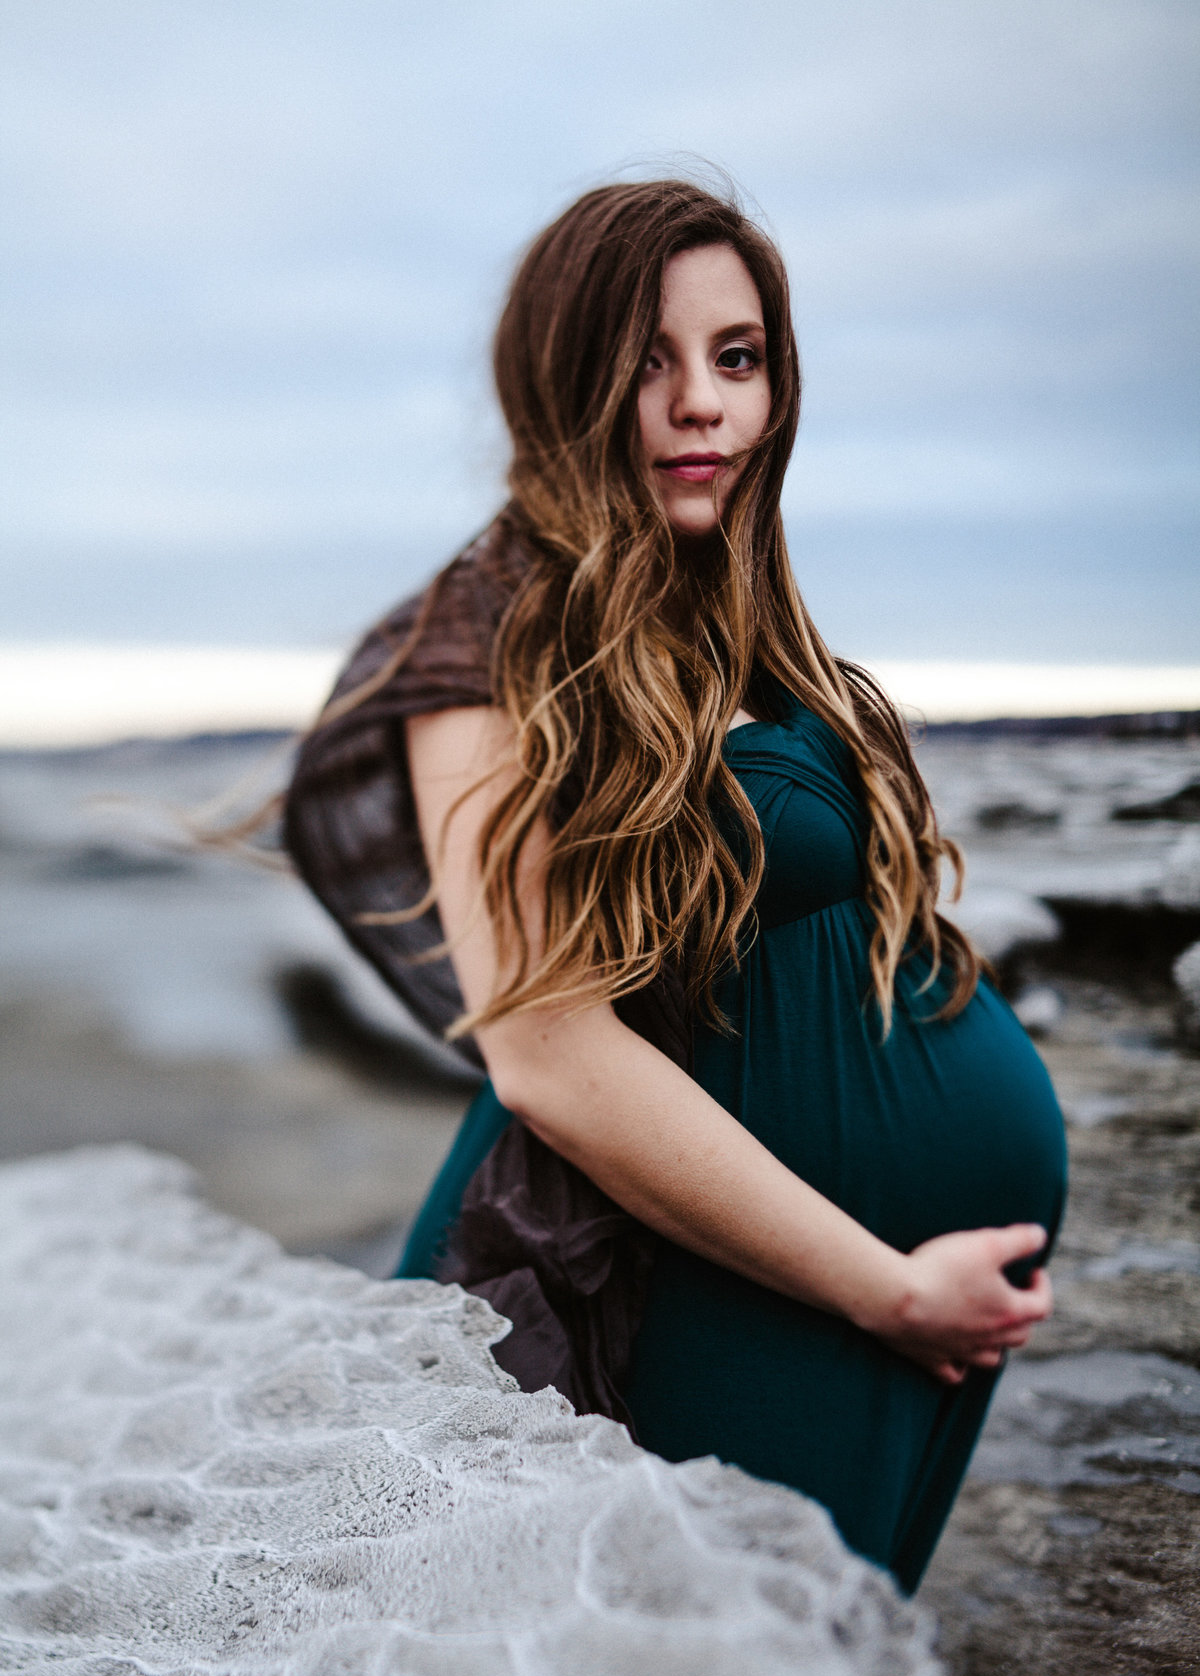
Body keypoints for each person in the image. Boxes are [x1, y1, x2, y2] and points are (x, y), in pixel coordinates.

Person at [286, 179, 1066, 1594]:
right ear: (559, 374)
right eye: (647, 360)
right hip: (718, 1288)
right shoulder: (490, 633)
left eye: (737, 356)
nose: (702, 402)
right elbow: (548, 1056)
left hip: (845, 1282)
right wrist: (887, 1288)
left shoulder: (720, 599)